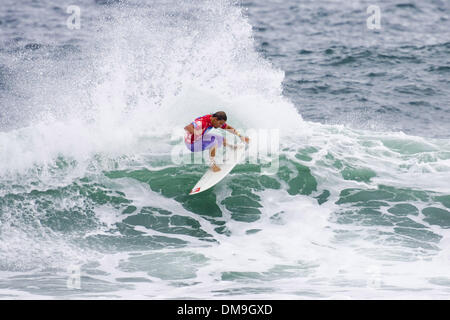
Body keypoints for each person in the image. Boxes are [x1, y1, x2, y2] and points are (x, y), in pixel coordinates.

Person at [184, 111, 250, 172]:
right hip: (192, 144)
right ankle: (212, 164)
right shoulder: (202, 123)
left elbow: (228, 127)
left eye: (222, 124)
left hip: (200, 138)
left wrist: (240, 136)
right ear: (215, 119)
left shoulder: (213, 120)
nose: (220, 126)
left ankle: (231, 147)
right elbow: (187, 127)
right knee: (214, 142)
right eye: (220, 123)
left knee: (221, 139)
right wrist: (196, 132)